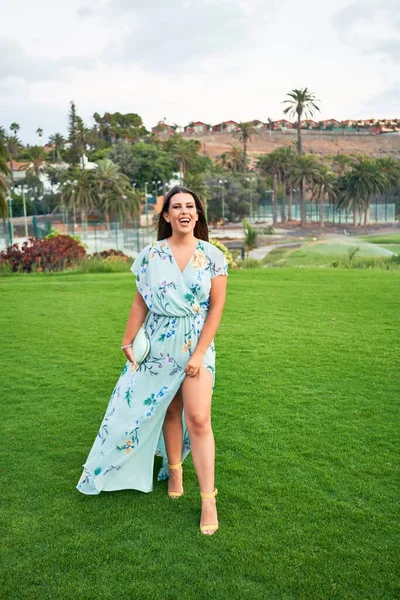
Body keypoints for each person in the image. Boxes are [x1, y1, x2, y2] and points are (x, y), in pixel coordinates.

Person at [76, 185, 228, 535]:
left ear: (198, 214)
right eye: (177, 206)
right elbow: (140, 303)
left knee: (199, 418)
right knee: (168, 410)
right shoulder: (151, 255)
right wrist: (127, 341)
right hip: (158, 343)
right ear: (167, 215)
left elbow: (216, 309)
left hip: (196, 343)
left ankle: (208, 499)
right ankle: (174, 469)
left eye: (190, 206)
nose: (184, 211)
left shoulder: (213, 256)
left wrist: (201, 352)